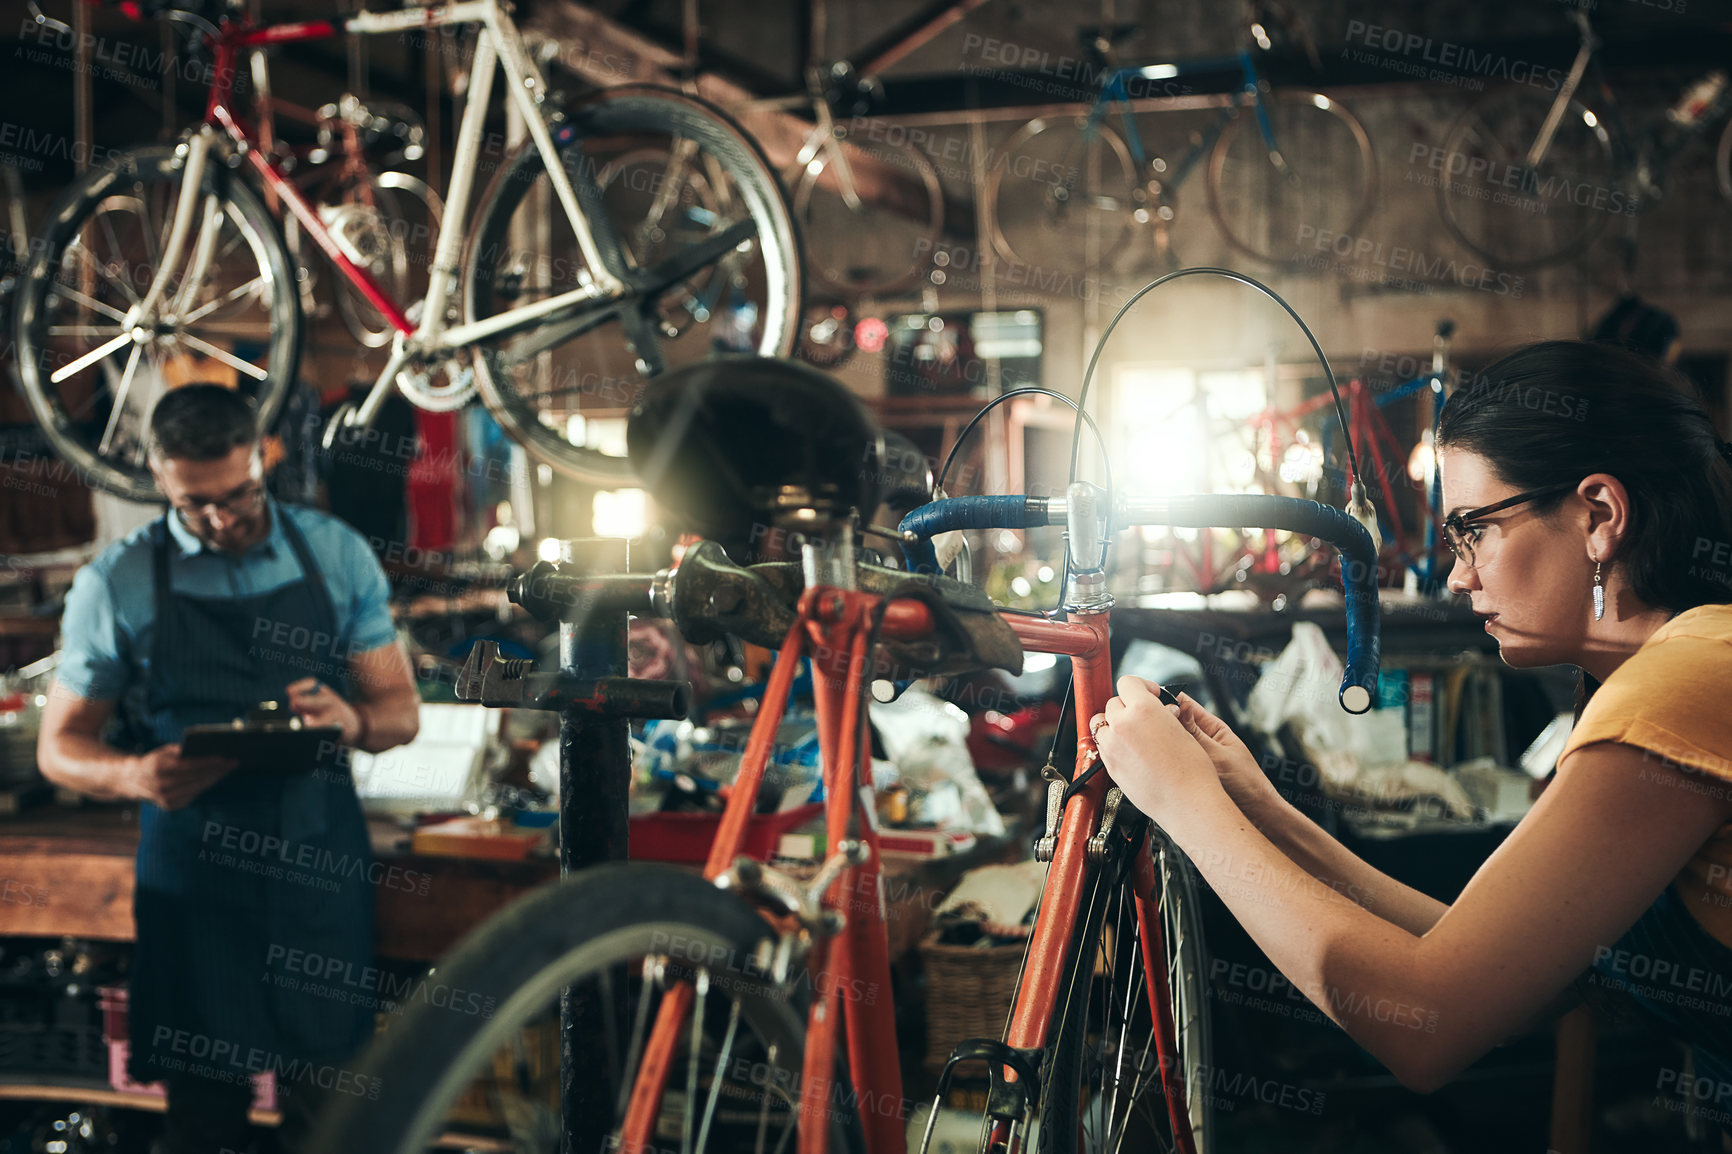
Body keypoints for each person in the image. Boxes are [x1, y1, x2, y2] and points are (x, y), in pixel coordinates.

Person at [1092, 340, 1732, 1109]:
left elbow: (1426, 1023)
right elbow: (1507, 974)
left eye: (1474, 530)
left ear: (1599, 515)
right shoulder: (1682, 664)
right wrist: (1257, 807)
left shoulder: (1683, 682)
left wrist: (1184, 803)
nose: (1458, 574)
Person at [37, 385, 421, 1154]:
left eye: (238, 493)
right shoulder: (115, 583)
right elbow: (60, 748)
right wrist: (134, 775)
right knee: (203, 1122)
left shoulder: (335, 553)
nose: (221, 518)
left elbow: (399, 714)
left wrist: (352, 720)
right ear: (160, 476)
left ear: (263, 457)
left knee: (335, 1115)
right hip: (194, 883)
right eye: (194, 503)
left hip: (316, 867)